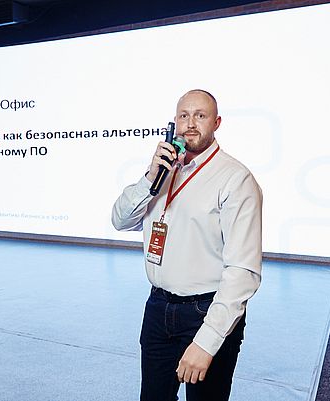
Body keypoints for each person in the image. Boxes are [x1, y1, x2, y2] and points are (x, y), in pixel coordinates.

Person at [112, 89, 262, 401]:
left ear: (216, 123)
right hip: (157, 308)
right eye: (184, 115)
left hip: (206, 310)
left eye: (200, 115)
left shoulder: (235, 179)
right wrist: (150, 177)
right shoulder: (163, 172)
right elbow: (120, 219)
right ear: (174, 123)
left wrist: (207, 341)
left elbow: (242, 271)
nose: (190, 123)